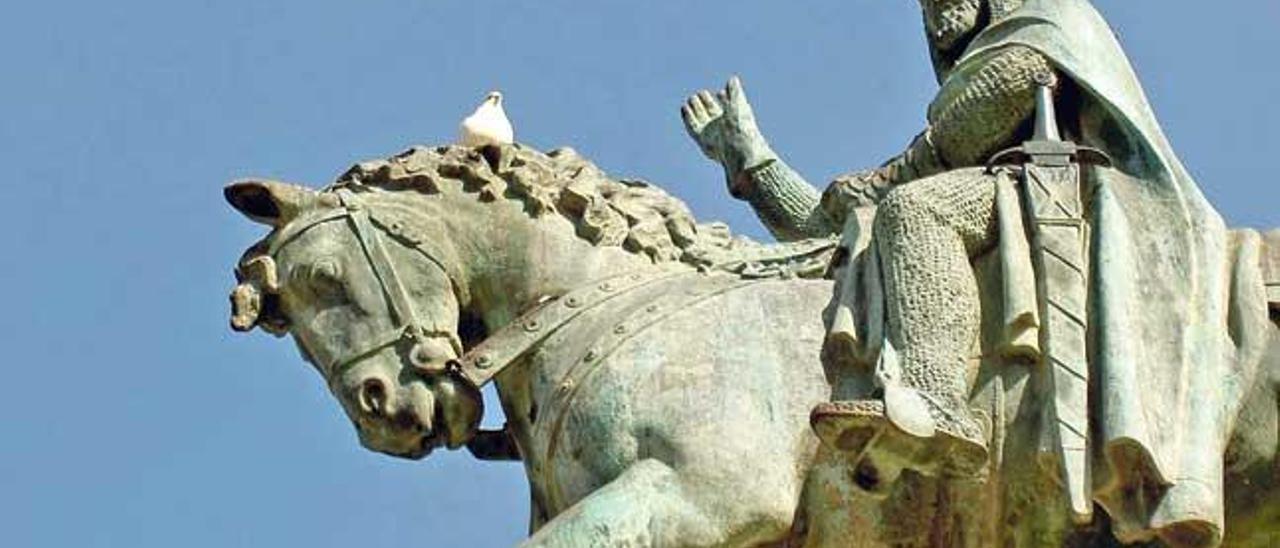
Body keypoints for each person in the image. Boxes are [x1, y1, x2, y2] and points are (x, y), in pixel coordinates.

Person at [681, 0, 1270, 544]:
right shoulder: (974, 79)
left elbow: (998, 98)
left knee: (917, 208)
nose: (935, 8)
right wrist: (751, 163)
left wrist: (896, 177)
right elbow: (835, 231)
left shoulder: (1042, 20)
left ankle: (936, 401)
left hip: (1076, 188)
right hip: (1013, 190)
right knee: (894, 213)